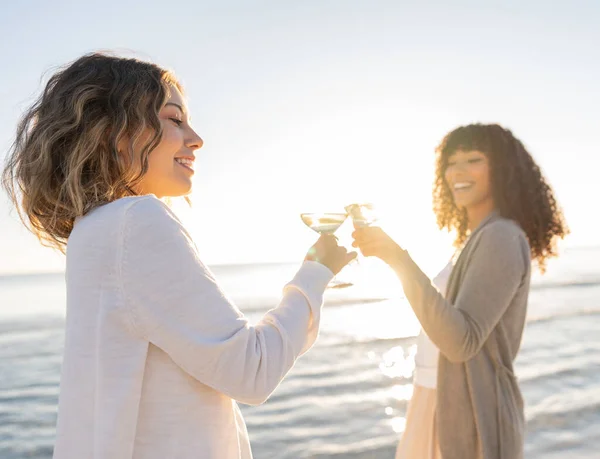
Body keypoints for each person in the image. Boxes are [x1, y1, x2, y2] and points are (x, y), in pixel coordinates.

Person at [2, 52, 355, 459]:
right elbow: (252, 371)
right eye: (174, 119)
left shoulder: (92, 231)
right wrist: (316, 272)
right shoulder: (137, 221)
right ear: (112, 133)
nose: (196, 138)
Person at [352, 123, 568, 459]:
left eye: (473, 159)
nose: (458, 171)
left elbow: (460, 341)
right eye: (452, 162)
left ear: (502, 168)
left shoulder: (501, 236)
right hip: (435, 396)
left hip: (472, 414)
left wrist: (396, 258)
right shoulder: (475, 238)